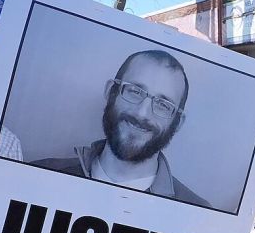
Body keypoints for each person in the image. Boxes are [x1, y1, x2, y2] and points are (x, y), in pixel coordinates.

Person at [32, 50, 210, 207]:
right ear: (111, 92)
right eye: (135, 91)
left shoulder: (199, 214)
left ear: (177, 122)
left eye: (163, 105)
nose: (142, 113)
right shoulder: (36, 176)